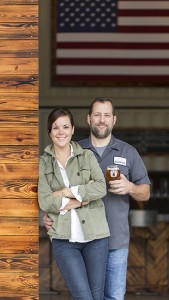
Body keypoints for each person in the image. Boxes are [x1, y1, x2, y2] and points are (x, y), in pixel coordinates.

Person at [43, 98, 151, 300]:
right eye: (97, 115)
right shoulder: (75, 151)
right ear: (89, 119)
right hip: (82, 237)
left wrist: (130, 187)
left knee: (114, 296)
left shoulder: (128, 152)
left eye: (106, 115)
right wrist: (49, 213)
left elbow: (145, 192)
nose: (102, 120)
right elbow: (54, 186)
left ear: (114, 120)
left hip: (116, 240)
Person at [38, 107, 110, 300]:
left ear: (72, 130)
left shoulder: (87, 156)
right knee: (83, 297)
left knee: (97, 296)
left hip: (96, 237)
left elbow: (101, 188)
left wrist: (66, 193)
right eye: (56, 128)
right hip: (64, 240)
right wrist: (82, 199)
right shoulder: (43, 163)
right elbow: (45, 202)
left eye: (65, 127)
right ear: (49, 132)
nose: (61, 132)